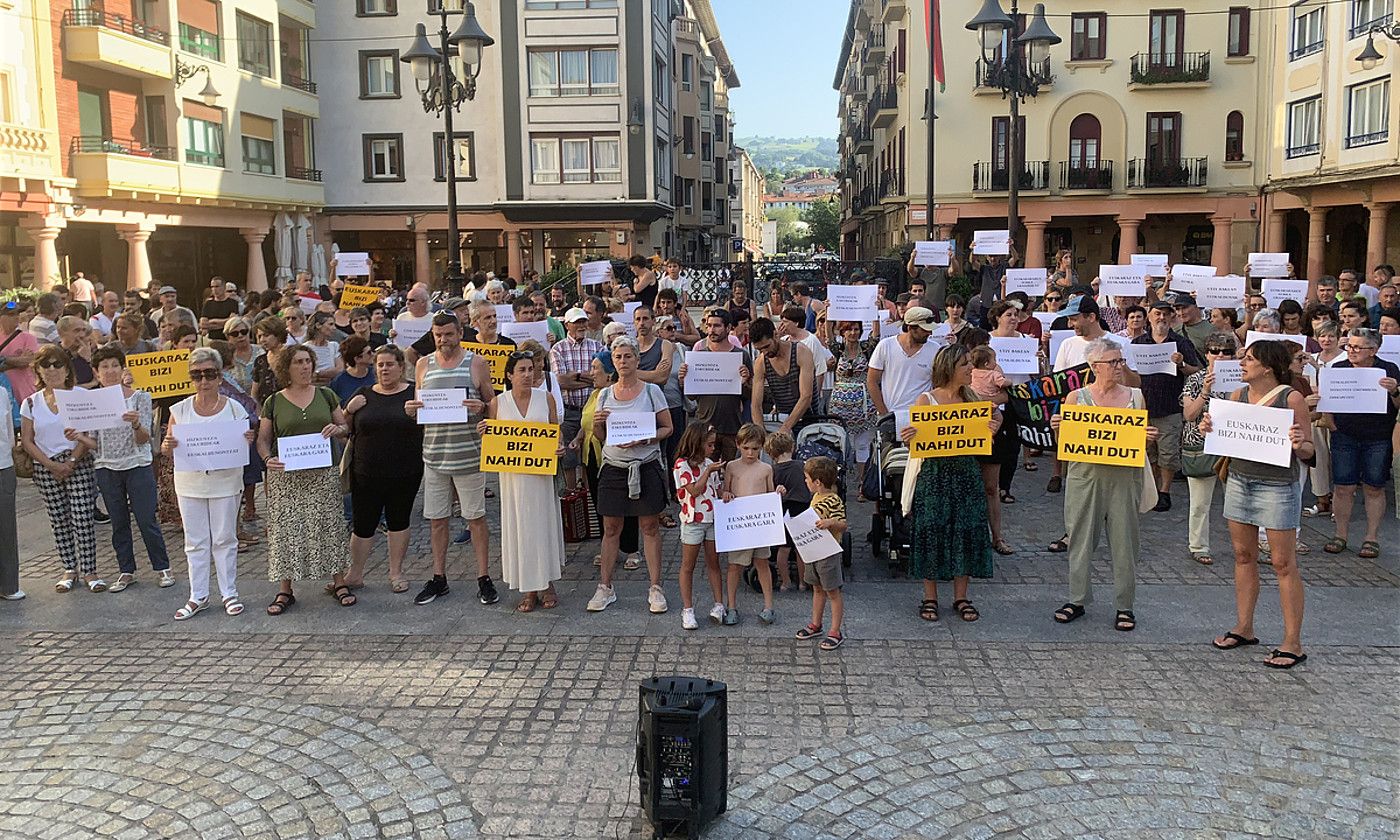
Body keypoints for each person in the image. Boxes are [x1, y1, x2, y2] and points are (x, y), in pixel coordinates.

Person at [1197, 340, 1313, 668]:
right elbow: (1224, 436)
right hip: (1240, 480)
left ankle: (1293, 641)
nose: (1242, 363)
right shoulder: (1237, 396)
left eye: (1249, 359)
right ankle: (1244, 627)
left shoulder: (1292, 398)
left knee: (1282, 562)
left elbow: (1308, 452)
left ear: (1267, 366)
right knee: (1243, 555)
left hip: (1277, 485)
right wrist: (1211, 427)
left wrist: (1299, 443)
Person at [1050, 339, 1158, 632]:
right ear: (1094, 366)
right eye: (1113, 362)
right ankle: (1077, 598)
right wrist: (1058, 429)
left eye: (1120, 361)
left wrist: (1148, 438)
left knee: (1125, 542)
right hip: (1085, 477)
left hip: (1124, 477)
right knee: (1080, 537)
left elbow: (1139, 445)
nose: (1119, 367)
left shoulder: (1135, 396)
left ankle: (1125, 605)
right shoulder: (1076, 398)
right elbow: (1066, 446)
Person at [404, 313, 499, 607]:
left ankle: (483, 577)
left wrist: (482, 408)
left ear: (460, 332)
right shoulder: (423, 364)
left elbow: (492, 403)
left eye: (448, 334)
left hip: (468, 454)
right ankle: (439, 577)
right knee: (437, 520)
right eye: (438, 335)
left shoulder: (476, 363)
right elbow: (422, 409)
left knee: (476, 519)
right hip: (434, 454)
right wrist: (412, 411)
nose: (443, 340)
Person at [900, 345, 999, 623]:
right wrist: (910, 437)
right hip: (934, 476)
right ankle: (929, 597)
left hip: (966, 473)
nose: (971, 368)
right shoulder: (926, 400)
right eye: (965, 364)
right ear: (949, 368)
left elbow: (991, 428)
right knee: (933, 531)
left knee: (965, 531)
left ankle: (961, 597)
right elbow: (918, 440)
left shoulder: (972, 399)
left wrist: (993, 429)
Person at [257, 344, 354, 615]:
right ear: (286, 368)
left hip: (323, 473)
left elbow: (346, 428)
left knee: (330, 524)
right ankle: (285, 589)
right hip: (286, 477)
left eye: (308, 361)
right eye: (298, 362)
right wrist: (267, 459)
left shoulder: (326, 394)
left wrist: (338, 428)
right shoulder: (274, 401)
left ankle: (338, 581)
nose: (304, 367)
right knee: (287, 530)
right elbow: (264, 440)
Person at [160, 347, 255, 618]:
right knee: (195, 540)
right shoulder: (180, 409)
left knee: (225, 538)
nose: (203, 381)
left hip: (225, 481)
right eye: (197, 375)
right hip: (190, 482)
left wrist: (245, 439)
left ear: (220, 376)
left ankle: (229, 593)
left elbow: (242, 440)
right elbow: (167, 447)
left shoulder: (235, 408)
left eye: (209, 374)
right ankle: (198, 594)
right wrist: (168, 445)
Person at [586, 336, 673, 613]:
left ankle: (656, 587)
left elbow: (667, 428)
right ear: (613, 361)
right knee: (611, 528)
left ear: (637, 359)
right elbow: (602, 437)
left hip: (645, 465)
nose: (623, 361)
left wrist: (645, 439)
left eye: (628, 356)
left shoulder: (651, 392)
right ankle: (605, 587)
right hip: (614, 468)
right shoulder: (604, 394)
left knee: (649, 527)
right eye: (618, 357)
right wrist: (599, 424)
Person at [80, 346, 173, 591]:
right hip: (106, 467)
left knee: (145, 519)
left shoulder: (139, 397)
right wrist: (77, 436)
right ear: (96, 372)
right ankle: (126, 570)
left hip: (137, 464)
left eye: (114, 365)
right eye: (104, 367)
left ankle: (162, 567)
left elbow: (144, 439)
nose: (110, 371)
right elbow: (93, 442)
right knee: (118, 522)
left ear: (123, 369)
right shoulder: (92, 402)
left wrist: (134, 425)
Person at [481, 350, 565, 611]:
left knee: (543, 526)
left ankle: (547, 583)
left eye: (531, 369)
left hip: (540, 478)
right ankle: (528, 588)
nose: (528, 374)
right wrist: (484, 431)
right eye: (522, 370)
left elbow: (555, 434)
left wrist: (558, 447)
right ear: (509, 375)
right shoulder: (498, 403)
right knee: (520, 528)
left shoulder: (546, 398)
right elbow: (493, 442)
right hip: (514, 480)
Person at [20, 345, 101, 591]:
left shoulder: (80, 396)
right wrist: (50, 464)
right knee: (59, 519)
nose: (52, 369)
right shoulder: (31, 403)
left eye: (58, 364)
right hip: (46, 464)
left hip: (78, 461)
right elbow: (27, 440)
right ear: (38, 371)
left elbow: (87, 433)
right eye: (46, 365)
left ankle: (90, 571)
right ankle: (69, 568)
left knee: (82, 516)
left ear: (67, 369)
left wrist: (71, 461)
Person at [342, 346, 421, 594]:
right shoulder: (363, 394)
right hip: (366, 471)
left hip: (405, 470)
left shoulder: (414, 393)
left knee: (398, 521)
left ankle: (396, 572)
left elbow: (430, 425)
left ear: (401, 367)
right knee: (362, 524)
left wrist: (417, 414)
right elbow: (343, 429)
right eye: (380, 365)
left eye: (390, 364)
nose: (385, 369)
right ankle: (354, 574)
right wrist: (348, 411)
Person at [1323, 328, 1400, 559]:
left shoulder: (1388, 369)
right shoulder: (1338, 368)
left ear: (1373, 350)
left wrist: (1395, 390)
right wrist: (1331, 424)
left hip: (1378, 436)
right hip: (1344, 435)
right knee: (1343, 486)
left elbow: (1398, 406)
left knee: (1374, 486)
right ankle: (1340, 535)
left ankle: (1371, 538)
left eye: (1357, 347)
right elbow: (1329, 400)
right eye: (1350, 346)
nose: (1351, 351)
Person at [1134, 301, 1204, 512]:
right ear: (1149, 316)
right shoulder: (1138, 342)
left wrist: (1181, 364)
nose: (1161, 318)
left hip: (1170, 407)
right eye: (1157, 314)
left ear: (1171, 318)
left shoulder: (1180, 343)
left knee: (1168, 453)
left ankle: (1165, 492)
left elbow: (1197, 371)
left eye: (1165, 314)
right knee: (1148, 452)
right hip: (1143, 406)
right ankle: (1153, 490)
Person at [1181, 332, 1240, 565]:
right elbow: (1189, 414)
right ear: (1207, 354)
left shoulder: (1242, 378)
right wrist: (1205, 390)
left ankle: (1244, 546)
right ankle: (1198, 545)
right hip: (1201, 444)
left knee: (1237, 501)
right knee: (1199, 502)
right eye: (1215, 351)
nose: (1221, 356)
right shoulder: (1195, 379)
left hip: (1233, 445)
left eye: (1226, 352)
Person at [719, 423, 777, 625]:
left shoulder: (766, 469)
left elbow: (770, 495)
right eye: (746, 448)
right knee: (734, 565)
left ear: (761, 447)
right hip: (739, 525)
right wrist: (725, 494)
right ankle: (732, 606)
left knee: (762, 563)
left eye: (755, 448)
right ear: (738, 445)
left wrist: (778, 492)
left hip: (759, 525)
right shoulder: (732, 467)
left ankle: (769, 606)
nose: (750, 453)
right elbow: (726, 490)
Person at [673, 421, 726, 630]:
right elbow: (694, 491)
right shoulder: (681, 465)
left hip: (712, 519)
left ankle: (719, 604)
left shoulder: (709, 463)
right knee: (688, 566)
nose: (712, 449)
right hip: (693, 521)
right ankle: (687, 609)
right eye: (709, 445)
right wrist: (708, 471)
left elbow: (718, 489)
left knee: (714, 563)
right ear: (697, 443)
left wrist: (726, 494)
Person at [679, 309, 752, 460]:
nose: (712, 330)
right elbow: (691, 396)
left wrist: (745, 382)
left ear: (728, 327)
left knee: (730, 472)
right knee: (704, 469)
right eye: (709, 325)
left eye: (717, 326)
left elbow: (750, 395)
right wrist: (683, 380)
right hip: (704, 425)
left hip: (731, 426)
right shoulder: (698, 357)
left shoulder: (741, 355)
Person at [793, 456, 848, 651]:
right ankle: (816, 623)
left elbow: (843, 524)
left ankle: (835, 630)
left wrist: (830, 523)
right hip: (813, 551)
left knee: (832, 591)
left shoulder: (833, 500)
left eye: (807, 478)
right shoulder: (815, 497)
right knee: (816, 587)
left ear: (817, 482)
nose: (805, 482)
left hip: (828, 552)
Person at [828, 320, 879, 483]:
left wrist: (875, 312)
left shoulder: (865, 349)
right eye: (848, 329)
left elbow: (875, 337)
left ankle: (862, 482)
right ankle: (840, 480)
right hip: (840, 405)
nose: (853, 333)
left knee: (862, 444)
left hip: (863, 405)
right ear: (842, 332)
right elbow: (829, 337)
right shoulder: (838, 350)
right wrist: (830, 313)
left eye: (856, 329)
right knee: (841, 441)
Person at [1302, 322, 1345, 517]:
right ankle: (1322, 500)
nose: (1326, 340)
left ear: (1338, 338)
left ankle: (1339, 501)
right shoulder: (1311, 358)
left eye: (1331, 337)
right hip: (1316, 413)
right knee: (1317, 456)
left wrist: (1316, 366)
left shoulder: (1345, 358)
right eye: (1322, 336)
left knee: (1338, 457)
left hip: (1339, 415)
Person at [867, 306, 939, 417]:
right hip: (891, 416)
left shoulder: (935, 349)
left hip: (923, 417)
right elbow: (872, 381)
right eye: (924, 329)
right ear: (911, 328)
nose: (929, 333)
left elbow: (939, 384)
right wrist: (884, 413)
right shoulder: (885, 346)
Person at [750, 317, 816, 435]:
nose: (765, 352)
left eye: (766, 346)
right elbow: (756, 404)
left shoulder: (801, 352)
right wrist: (761, 434)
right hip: (782, 419)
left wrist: (785, 428)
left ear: (775, 335)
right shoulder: (761, 362)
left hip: (809, 420)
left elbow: (806, 396)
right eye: (760, 349)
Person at [0, 300, 40, 403]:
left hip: (23, 392)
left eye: (17, 313)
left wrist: (3, 359)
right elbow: (20, 361)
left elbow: (26, 361)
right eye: (11, 314)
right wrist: (16, 360)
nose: (16, 317)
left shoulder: (28, 338)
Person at [0, 383, 18, 601]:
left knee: (6, 527)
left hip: (3, 464)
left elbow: (10, 434)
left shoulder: (2, 392)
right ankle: (8, 585)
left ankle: (9, 585)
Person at [329, 336, 375, 406]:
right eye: (369, 352)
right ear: (357, 359)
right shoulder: (338, 382)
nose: (373, 354)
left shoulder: (376, 373)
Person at [305, 311, 343, 385]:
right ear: (318, 325)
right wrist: (329, 373)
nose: (334, 328)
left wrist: (318, 374)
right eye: (330, 324)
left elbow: (340, 370)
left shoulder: (334, 346)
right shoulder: (305, 348)